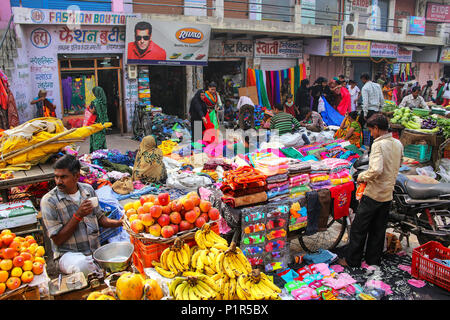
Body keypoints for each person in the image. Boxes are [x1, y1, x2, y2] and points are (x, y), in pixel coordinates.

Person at [338, 114, 403, 267]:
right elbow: (399, 163)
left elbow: (376, 170)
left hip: (373, 194)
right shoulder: (397, 143)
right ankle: (373, 259)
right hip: (387, 194)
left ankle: (352, 260)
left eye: (371, 131)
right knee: (378, 230)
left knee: (358, 228)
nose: (371, 134)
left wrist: (361, 176)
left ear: (377, 129)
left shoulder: (378, 145)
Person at [41, 155, 123, 276]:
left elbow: (100, 218)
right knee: (83, 265)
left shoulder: (88, 190)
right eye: (56, 177)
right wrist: (78, 216)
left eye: (63, 177)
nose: (58, 182)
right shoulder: (49, 201)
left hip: (94, 251)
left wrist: (120, 222)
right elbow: (57, 240)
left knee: (123, 254)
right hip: (68, 255)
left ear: (76, 176)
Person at [87, 86, 109, 153]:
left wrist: (88, 109)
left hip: (96, 124)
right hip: (103, 124)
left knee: (96, 139)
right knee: (102, 139)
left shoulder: (94, 102)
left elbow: (92, 111)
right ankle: (103, 154)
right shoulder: (104, 102)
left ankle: (96, 154)